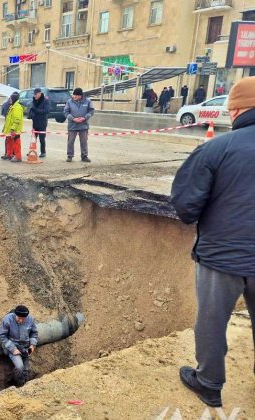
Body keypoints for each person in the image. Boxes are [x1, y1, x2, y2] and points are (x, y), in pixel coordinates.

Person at [170, 76, 255, 408]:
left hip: (222, 257)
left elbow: (186, 206)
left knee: (212, 320)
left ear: (236, 110)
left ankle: (208, 382)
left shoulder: (216, 149)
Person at [0, 305, 38, 387]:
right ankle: (18, 386)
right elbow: (1, 336)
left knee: (26, 370)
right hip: (12, 347)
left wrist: (32, 345)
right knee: (19, 367)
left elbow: (34, 333)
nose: (21, 320)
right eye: (19, 318)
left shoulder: (30, 319)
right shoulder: (7, 320)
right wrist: (13, 349)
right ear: (14, 315)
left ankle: (26, 386)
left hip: (25, 347)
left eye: (23, 319)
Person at [63, 87, 95, 163]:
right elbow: (66, 112)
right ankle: (70, 156)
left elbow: (91, 111)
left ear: (80, 95)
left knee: (84, 141)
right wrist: (73, 119)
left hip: (83, 125)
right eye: (74, 95)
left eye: (76, 96)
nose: (74, 97)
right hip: (72, 125)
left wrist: (84, 118)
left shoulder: (87, 101)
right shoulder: (69, 101)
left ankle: (84, 156)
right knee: (70, 141)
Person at [2, 91, 24, 163]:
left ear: (13, 99)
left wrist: (13, 129)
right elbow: (9, 119)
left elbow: (17, 119)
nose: (9, 100)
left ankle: (18, 157)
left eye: (10, 99)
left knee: (16, 143)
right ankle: (9, 154)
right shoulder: (12, 106)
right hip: (10, 129)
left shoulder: (17, 107)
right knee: (9, 142)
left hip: (15, 130)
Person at [29, 88, 49, 158]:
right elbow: (33, 110)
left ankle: (43, 152)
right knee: (33, 138)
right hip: (35, 122)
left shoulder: (45, 101)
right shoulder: (34, 100)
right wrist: (31, 115)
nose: (35, 96)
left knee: (42, 138)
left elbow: (46, 111)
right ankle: (32, 151)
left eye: (36, 94)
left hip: (42, 122)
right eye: (34, 95)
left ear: (40, 93)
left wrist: (36, 111)